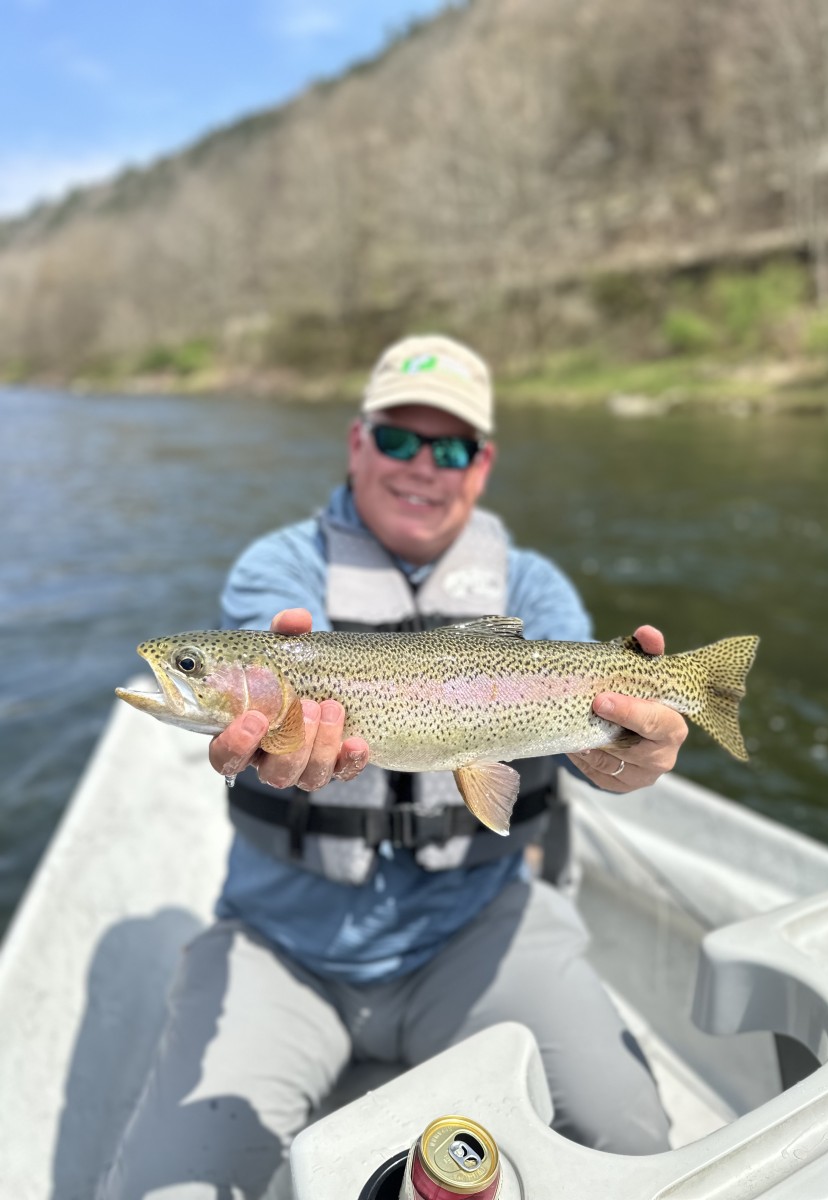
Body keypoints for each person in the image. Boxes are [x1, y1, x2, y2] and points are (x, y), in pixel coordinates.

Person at [99, 334, 688, 1199]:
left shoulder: (532, 591)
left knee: (633, 1143)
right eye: (398, 439)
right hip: (286, 945)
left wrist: (629, 757)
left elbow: (600, 748)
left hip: (481, 930)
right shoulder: (279, 572)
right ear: (356, 442)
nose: (422, 466)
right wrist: (274, 731)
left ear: (480, 465)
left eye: (448, 448)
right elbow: (266, 677)